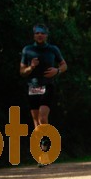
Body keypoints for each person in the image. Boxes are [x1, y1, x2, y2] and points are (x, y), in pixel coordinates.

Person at [20, 24, 67, 156]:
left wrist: (56, 71)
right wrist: (31, 67)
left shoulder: (53, 49)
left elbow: (64, 65)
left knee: (42, 117)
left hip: (47, 86)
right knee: (36, 121)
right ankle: (40, 151)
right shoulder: (27, 50)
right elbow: (22, 71)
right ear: (34, 35)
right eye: (37, 33)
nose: (40, 35)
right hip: (33, 87)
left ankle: (45, 146)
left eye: (42, 33)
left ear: (46, 35)